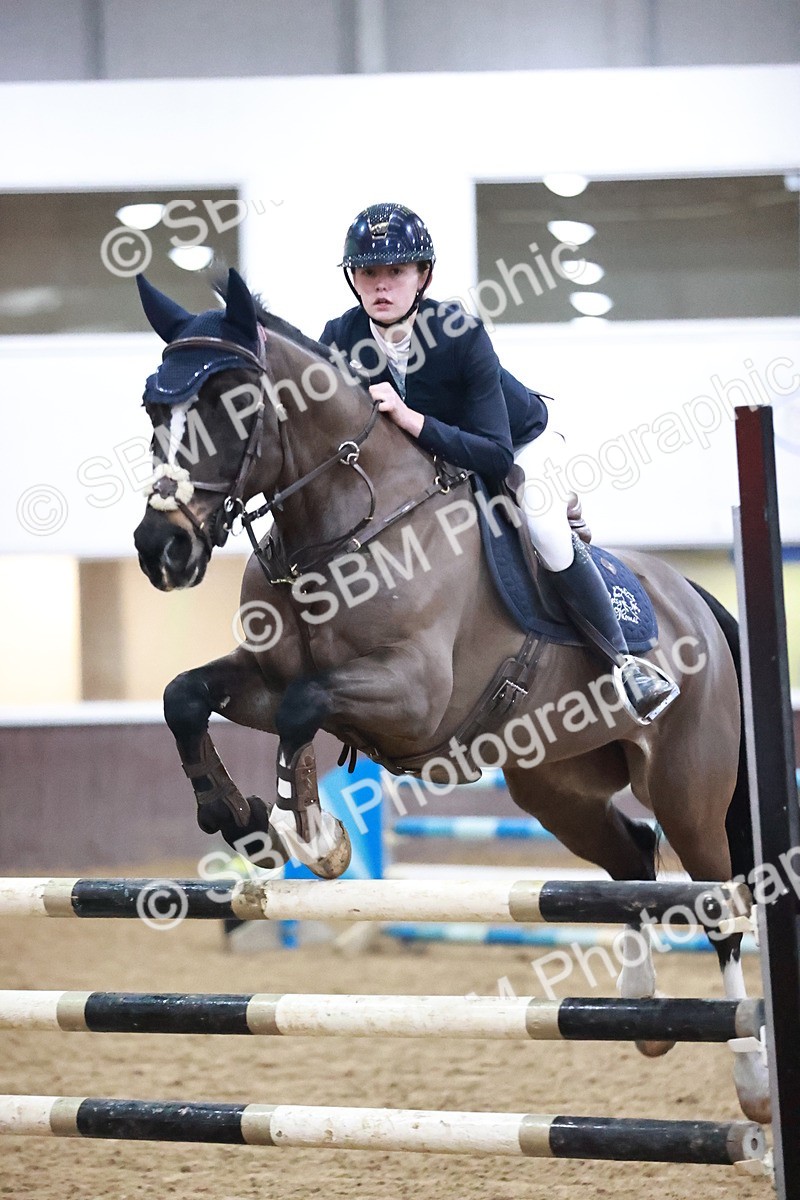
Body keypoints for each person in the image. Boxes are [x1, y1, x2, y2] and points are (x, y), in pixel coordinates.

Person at [319, 202, 678, 723]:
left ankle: (625, 664)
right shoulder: (340, 338)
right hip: (436, 464)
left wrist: (409, 417)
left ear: (424, 276)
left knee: (545, 528)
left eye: (396, 270)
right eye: (367, 271)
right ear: (353, 279)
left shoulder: (459, 332)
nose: (381, 284)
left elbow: (494, 454)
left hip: (520, 444)